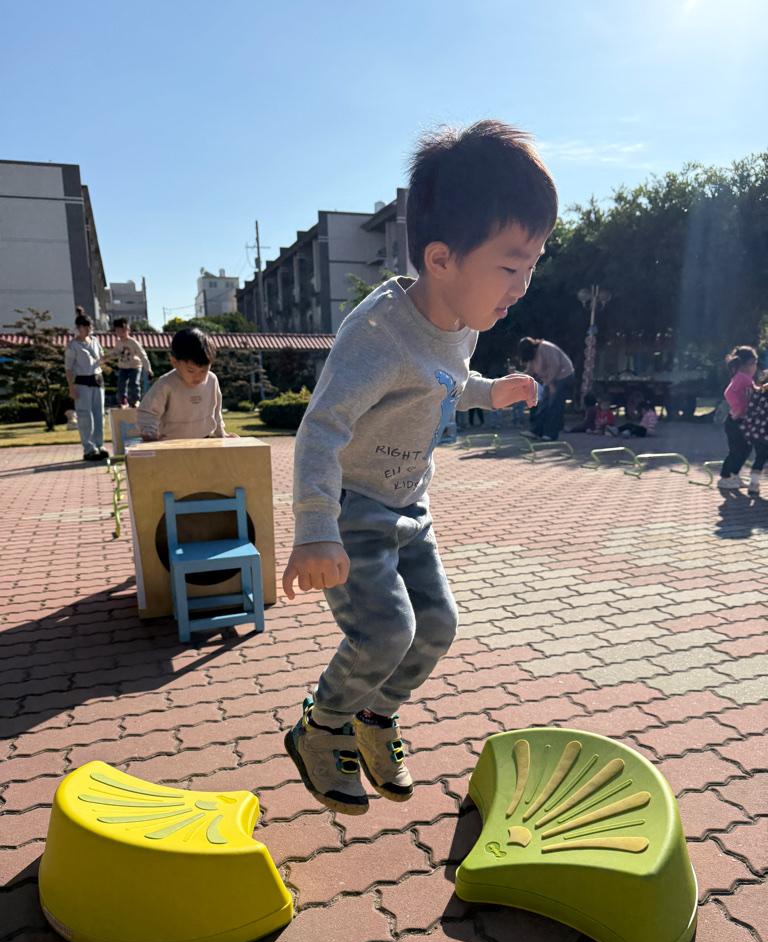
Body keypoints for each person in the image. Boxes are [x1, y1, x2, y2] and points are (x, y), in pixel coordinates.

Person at [281, 120, 557, 815]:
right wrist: (315, 531)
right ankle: (321, 727)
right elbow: (320, 430)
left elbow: (441, 383)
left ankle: (374, 718)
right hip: (353, 510)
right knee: (386, 632)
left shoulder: (462, 320)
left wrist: (489, 392)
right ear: (441, 259)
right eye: (510, 266)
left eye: (532, 264)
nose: (522, 286)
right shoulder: (376, 337)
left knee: (437, 624)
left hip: (410, 509)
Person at [136, 328, 236, 441]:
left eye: (204, 371)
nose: (198, 377)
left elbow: (216, 410)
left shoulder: (212, 380)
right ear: (175, 363)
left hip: (203, 439)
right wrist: (149, 431)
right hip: (171, 442)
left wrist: (220, 432)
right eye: (191, 371)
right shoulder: (166, 384)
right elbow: (149, 411)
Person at [64, 307, 109, 461]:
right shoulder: (73, 345)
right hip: (82, 382)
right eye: (86, 328)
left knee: (99, 415)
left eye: (90, 328)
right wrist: (71, 388)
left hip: (97, 380)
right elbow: (68, 368)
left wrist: (112, 355)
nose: (89, 331)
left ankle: (100, 445)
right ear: (79, 328)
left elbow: (101, 358)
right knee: (85, 416)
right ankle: (89, 448)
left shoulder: (95, 341)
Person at [518, 337, 574, 440]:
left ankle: (551, 434)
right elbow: (529, 372)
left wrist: (551, 384)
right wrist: (516, 374)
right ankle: (537, 431)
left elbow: (554, 365)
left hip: (563, 375)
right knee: (543, 404)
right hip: (550, 380)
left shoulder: (544, 347)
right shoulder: (532, 357)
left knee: (554, 404)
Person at [718, 346, 758, 490]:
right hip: (736, 421)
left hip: (744, 420)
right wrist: (738, 408)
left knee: (746, 448)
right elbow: (729, 393)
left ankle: (735, 475)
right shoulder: (742, 377)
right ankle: (724, 477)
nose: (756, 367)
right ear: (749, 363)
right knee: (736, 450)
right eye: (755, 363)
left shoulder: (746, 378)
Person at [105, 318, 153, 407]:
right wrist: (108, 356)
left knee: (134, 383)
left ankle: (136, 401)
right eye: (118, 331)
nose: (121, 334)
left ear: (128, 330)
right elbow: (116, 353)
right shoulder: (118, 343)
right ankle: (123, 401)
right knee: (121, 384)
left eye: (123, 331)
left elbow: (142, 355)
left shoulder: (133, 343)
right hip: (123, 367)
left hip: (135, 366)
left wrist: (148, 369)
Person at [741, 375, 768, 496]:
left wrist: (748, 429)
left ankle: (753, 483)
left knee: (759, 458)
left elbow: (750, 411)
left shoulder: (758, 393)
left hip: (757, 433)